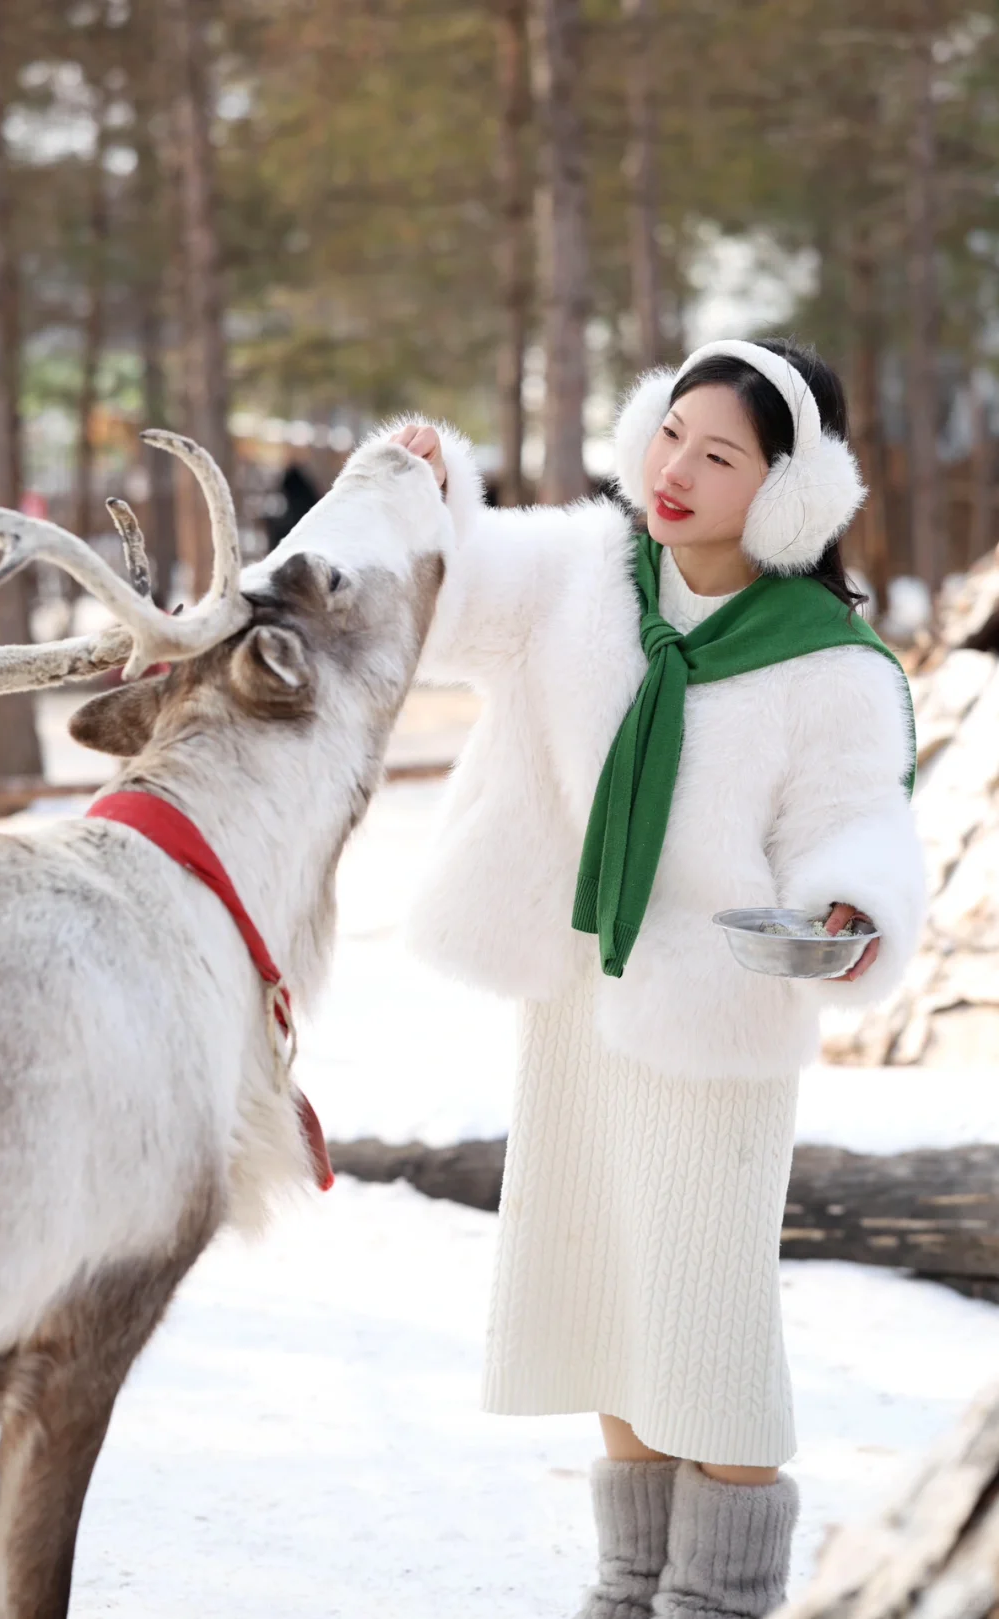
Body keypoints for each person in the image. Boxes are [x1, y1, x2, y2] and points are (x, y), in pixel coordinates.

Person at [386, 338, 926, 1619]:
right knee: (605, 1297)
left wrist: (850, 903)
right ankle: (630, 1590)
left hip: (716, 1011)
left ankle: (719, 1601)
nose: (674, 469)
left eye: (719, 453)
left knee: (712, 1333)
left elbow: (861, 817)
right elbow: (451, 589)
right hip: (579, 995)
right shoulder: (583, 567)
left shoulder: (832, 661)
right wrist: (428, 485)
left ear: (787, 493)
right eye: (671, 432)